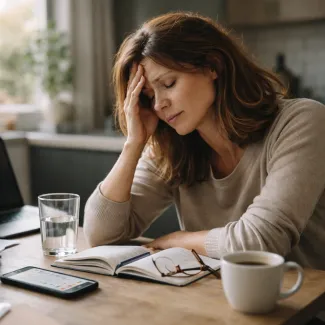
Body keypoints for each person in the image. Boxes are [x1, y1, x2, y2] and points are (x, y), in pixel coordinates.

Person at [83, 12, 325, 270]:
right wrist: (134, 144)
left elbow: (261, 242)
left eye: (168, 83)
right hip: (213, 300)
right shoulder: (170, 146)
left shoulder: (301, 121)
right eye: (148, 96)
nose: (159, 104)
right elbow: (101, 235)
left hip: (302, 305)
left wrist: (179, 240)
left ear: (213, 65)